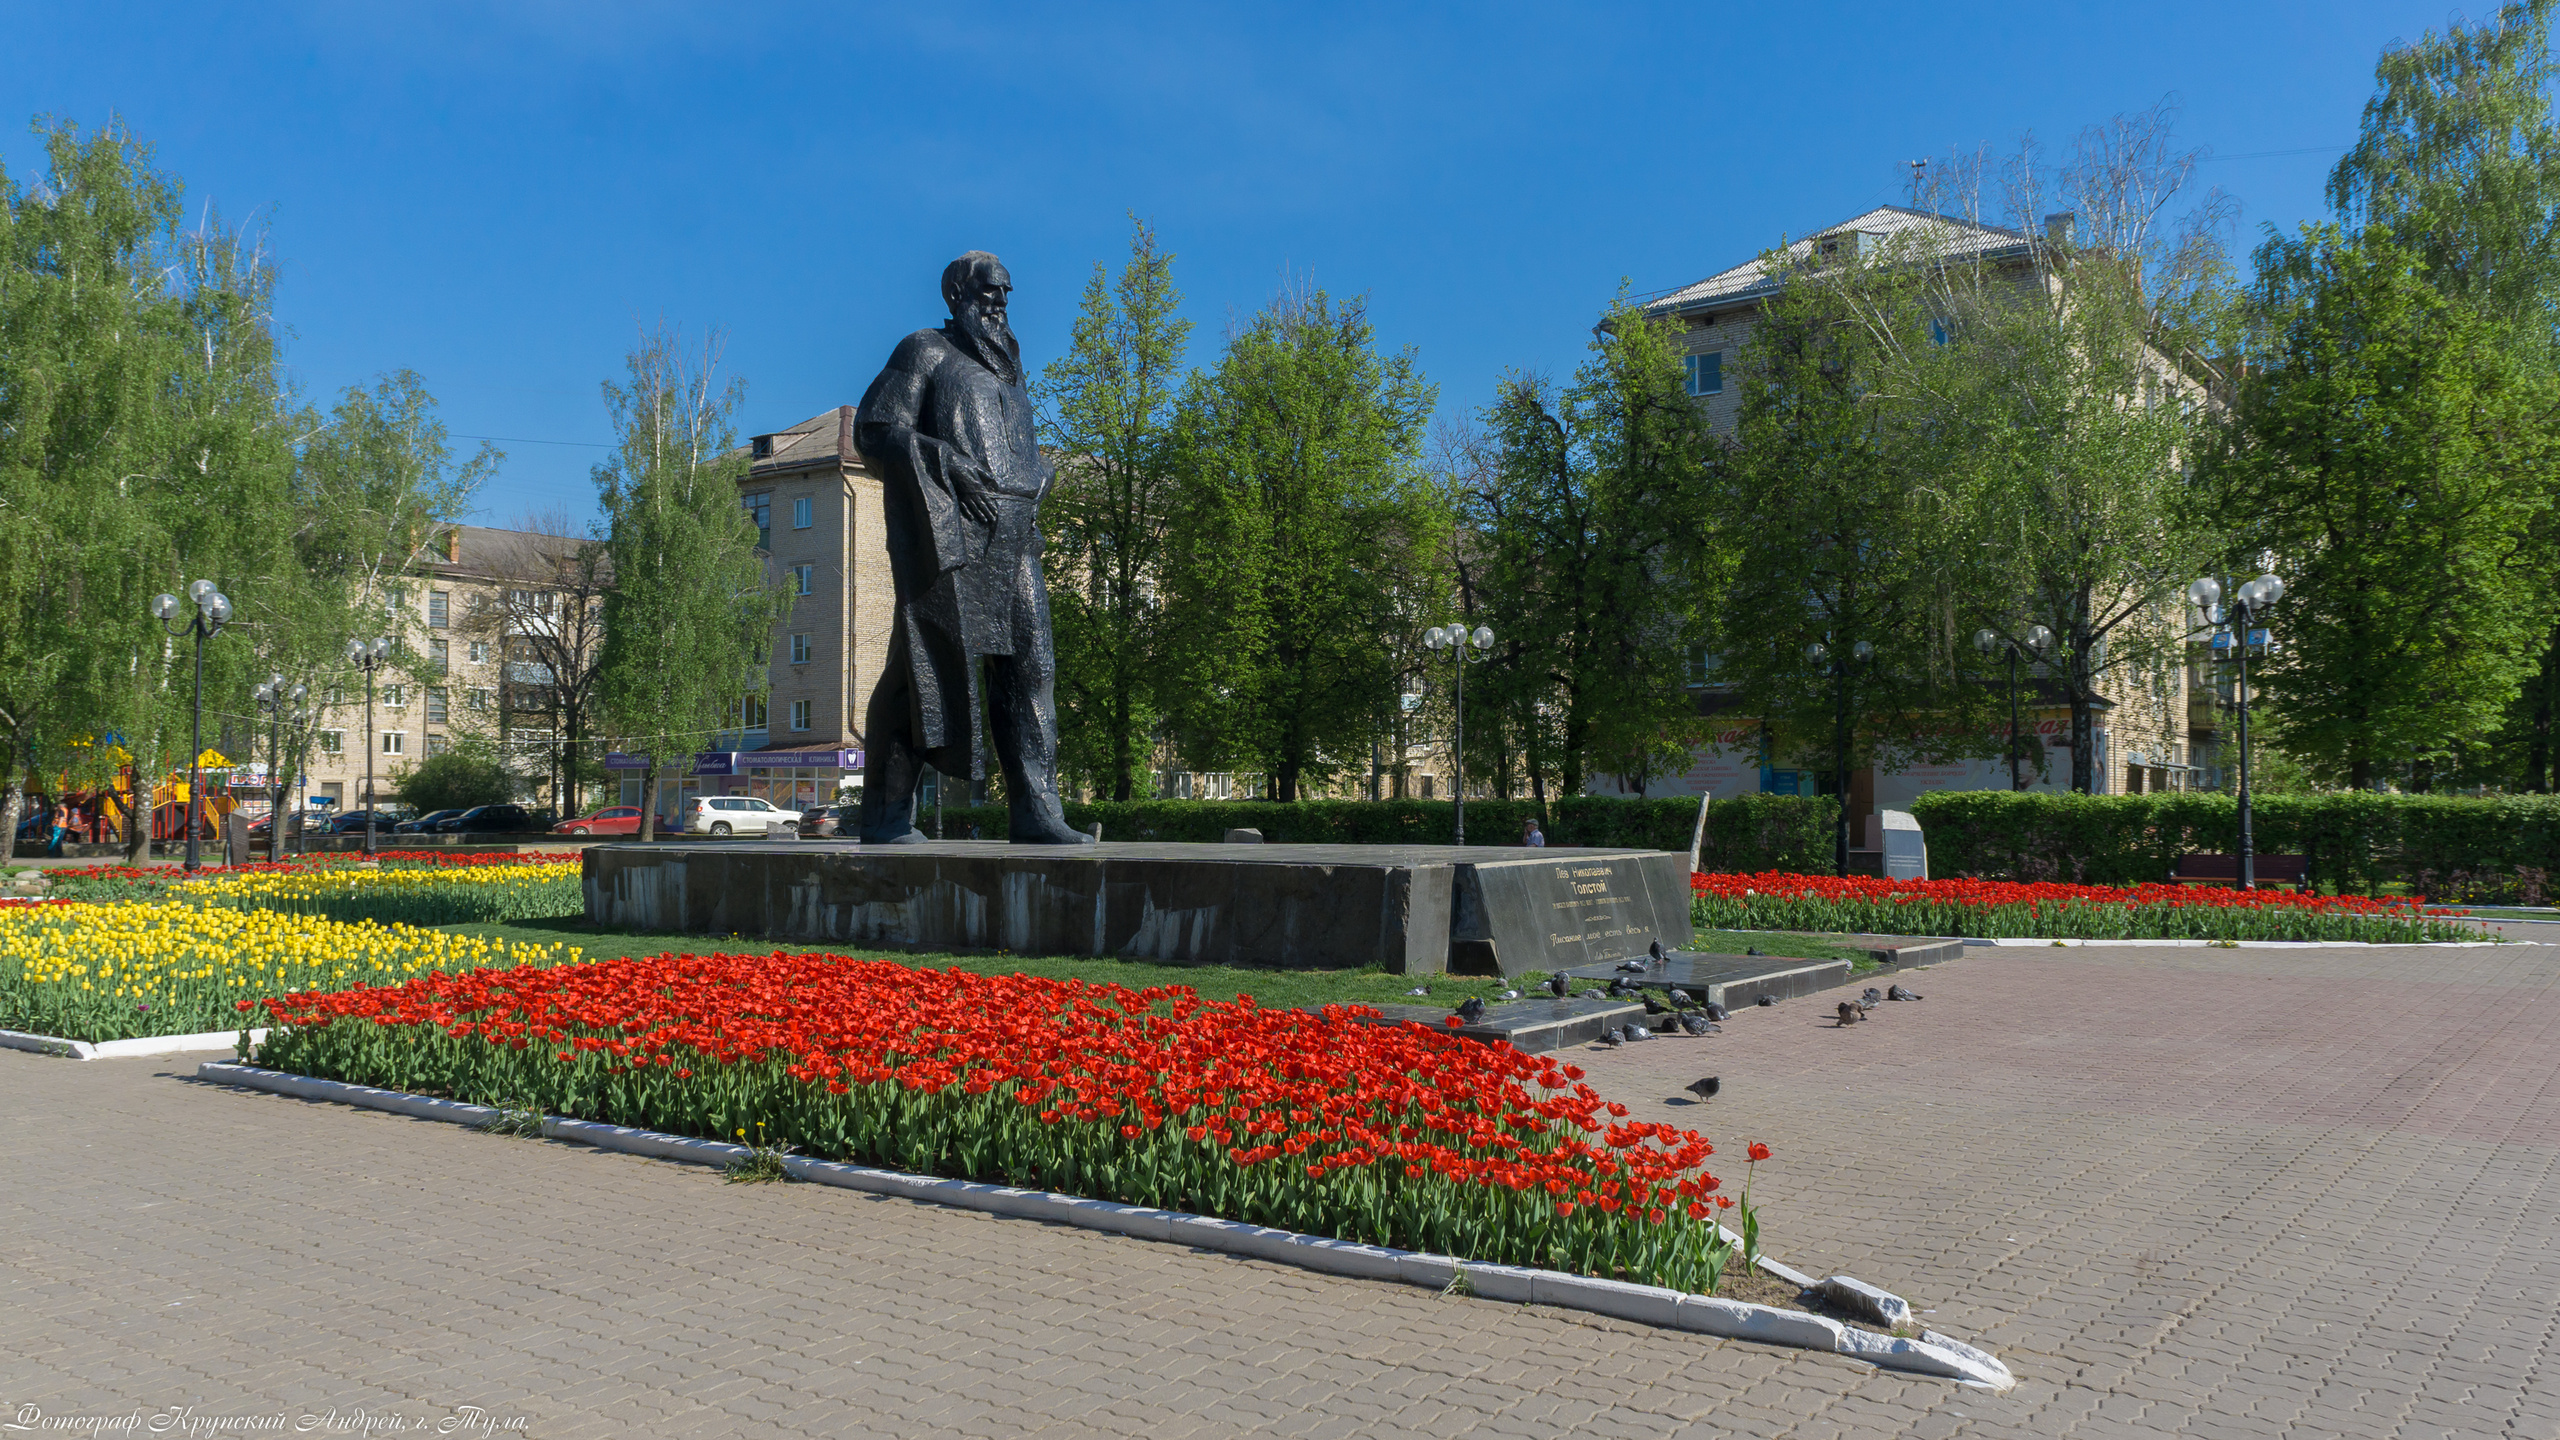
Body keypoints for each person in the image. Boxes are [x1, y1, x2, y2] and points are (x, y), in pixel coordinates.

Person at [852, 251, 1092, 846]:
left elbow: (1015, 450)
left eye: (1006, 292)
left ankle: (1036, 810)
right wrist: (947, 463)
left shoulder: (1009, 367)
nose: (1000, 303)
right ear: (958, 294)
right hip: (949, 534)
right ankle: (884, 816)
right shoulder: (924, 351)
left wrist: (1042, 473)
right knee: (923, 673)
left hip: (1014, 536)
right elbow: (875, 432)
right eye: (989, 291)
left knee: (1032, 669)